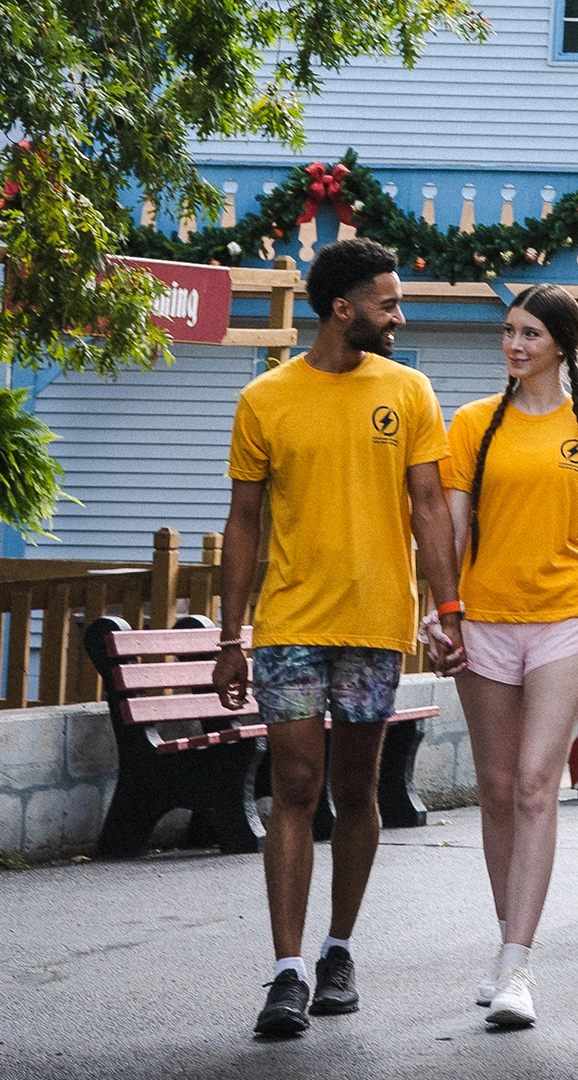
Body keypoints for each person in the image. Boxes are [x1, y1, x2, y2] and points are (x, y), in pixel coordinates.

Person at [213, 238, 464, 1038]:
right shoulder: (267, 400)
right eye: (388, 303)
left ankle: (339, 949)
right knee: (291, 783)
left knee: (356, 790)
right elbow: (244, 522)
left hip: (374, 623)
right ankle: (286, 972)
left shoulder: (410, 389)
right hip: (289, 622)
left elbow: (429, 506)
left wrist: (447, 608)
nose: (400, 314)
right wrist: (230, 635)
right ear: (341, 309)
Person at [434, 283, 578, 1028]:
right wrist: (440, 611)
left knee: (538, 786)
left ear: (561, 346)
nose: (515, 345)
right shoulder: (475, 423)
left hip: (565, 622)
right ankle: (505, 939)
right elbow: (450, 527)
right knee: (498, 787)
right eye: (509, 331)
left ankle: (517, 964)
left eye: (531, 335)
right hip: (483, 620)